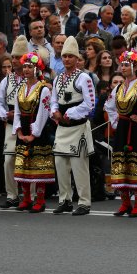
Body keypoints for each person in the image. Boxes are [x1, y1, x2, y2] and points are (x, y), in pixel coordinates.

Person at [104, 49, 137, 217]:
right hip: (123, 128)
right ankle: (125, 203)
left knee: (136, 164)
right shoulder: (119, 88)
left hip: (136, 131)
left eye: (127, 65)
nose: (123, 67)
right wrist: (116, 122)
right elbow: (108, 106)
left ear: (135, 67)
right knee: (121, 164)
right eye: (123, 64)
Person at [51, 36, 96, 216]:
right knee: (60, 164)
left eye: (71, 56)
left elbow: (89, 103)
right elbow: (54, 100)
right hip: (62, 127)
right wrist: (55, 111)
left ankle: (84, 202)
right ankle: (65, 200)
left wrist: (70, 113)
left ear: (77, 59)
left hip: (78, 127)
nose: (67, 59)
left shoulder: (84, 78)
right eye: (65, 56)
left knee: (79, 167)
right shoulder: (58, 78)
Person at [13, 52, 55, 213]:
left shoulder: (43, 89)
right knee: (23, 164)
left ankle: (40, 200)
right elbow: (17, 111)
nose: (26, 70)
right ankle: (26, 199)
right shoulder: (21, 88)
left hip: (37, 129)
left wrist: (34, 133)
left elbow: (43, 113)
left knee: (38, 166)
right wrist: (18, 131)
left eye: (30, 67)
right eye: (24, 66)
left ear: (37, 69)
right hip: (23, 128)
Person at [0, 35, 26, 208]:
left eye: (17, 57)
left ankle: (31, 196)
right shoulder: (7, 79)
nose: (14, 61)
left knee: (29, 160)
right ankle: (12, 195)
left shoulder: (35, 79)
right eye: (13, 57)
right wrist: (5, 114)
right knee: (8, 160)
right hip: (11, 124)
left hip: (29, 125)